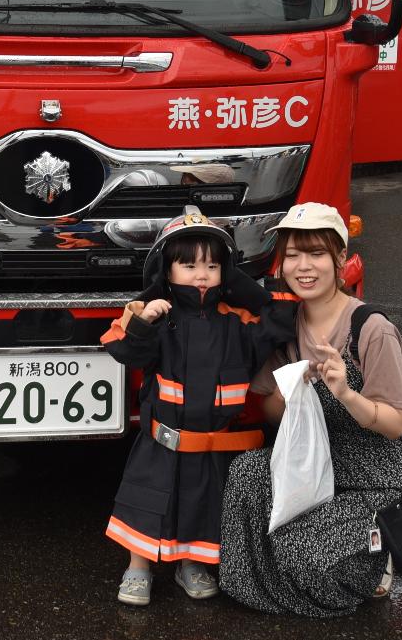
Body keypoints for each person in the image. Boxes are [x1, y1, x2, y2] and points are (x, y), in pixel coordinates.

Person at [219, 203, 402, 618]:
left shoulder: (371, 329)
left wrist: (346, 392)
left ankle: (377, 546)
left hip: (373, 476)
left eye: (316, 254)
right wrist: (290, 389)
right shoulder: (283, 324)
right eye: (293, 255)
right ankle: (267, 577)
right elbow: (272, 414)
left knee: (301, 552)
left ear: (340, 260)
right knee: (244, 474)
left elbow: (396, 425)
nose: (303, 266)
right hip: (310, 468)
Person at [101, 209, 289, 607]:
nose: (201, 274)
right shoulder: (157, 317)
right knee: (147, 503)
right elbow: (127, 352)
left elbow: (281, 317)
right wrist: (145, 318)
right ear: (166, 272)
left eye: (212, 265)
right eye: (188, 265)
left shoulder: (238, 322)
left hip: (214, 445)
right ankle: (137, 567)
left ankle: (192, 565)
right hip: (161, 443)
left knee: (203, 506)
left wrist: (238, 279)